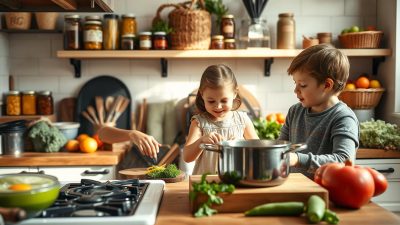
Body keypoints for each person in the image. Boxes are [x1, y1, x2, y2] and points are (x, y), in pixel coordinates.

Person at [279, 44, 359, 178]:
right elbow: (281, 148)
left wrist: (298, 159)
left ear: (327, 85)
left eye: (303, 85)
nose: (296, 90)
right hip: (295, 189)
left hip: (328, 193)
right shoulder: (294, 112)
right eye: (295, 83)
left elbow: (344, 161)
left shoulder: (343, 118)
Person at [183, 64, 259, 175]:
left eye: (224, 101)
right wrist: (201, 141)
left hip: (236, 182)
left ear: (234, 94)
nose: (218, 106)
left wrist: (241, 145)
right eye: (211, 101)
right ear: (202, 94)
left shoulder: (242, 120)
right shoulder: (199, 123)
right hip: (206, 183)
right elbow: (187, 157)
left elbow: (258, 151)